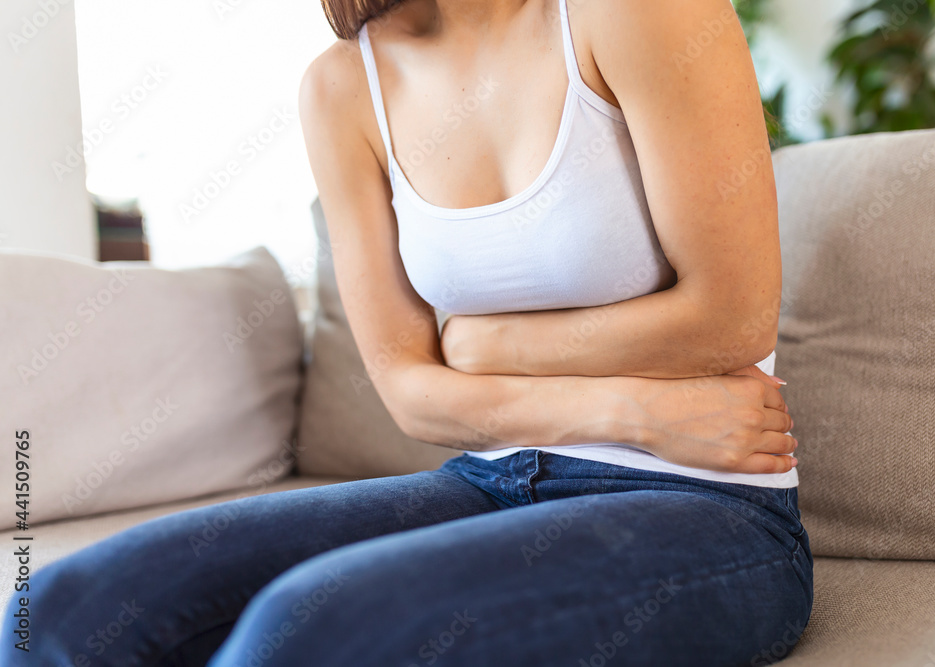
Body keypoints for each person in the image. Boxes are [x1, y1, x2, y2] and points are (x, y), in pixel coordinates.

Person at [3, 0, 812, 664]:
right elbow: (413, 394)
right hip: (491, 481)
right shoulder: (341, 90)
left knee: (308, 633)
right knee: (58, 612)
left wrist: (487, 348)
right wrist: (635, 412)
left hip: (707, 505)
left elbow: (733, 314)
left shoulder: (634, 12)